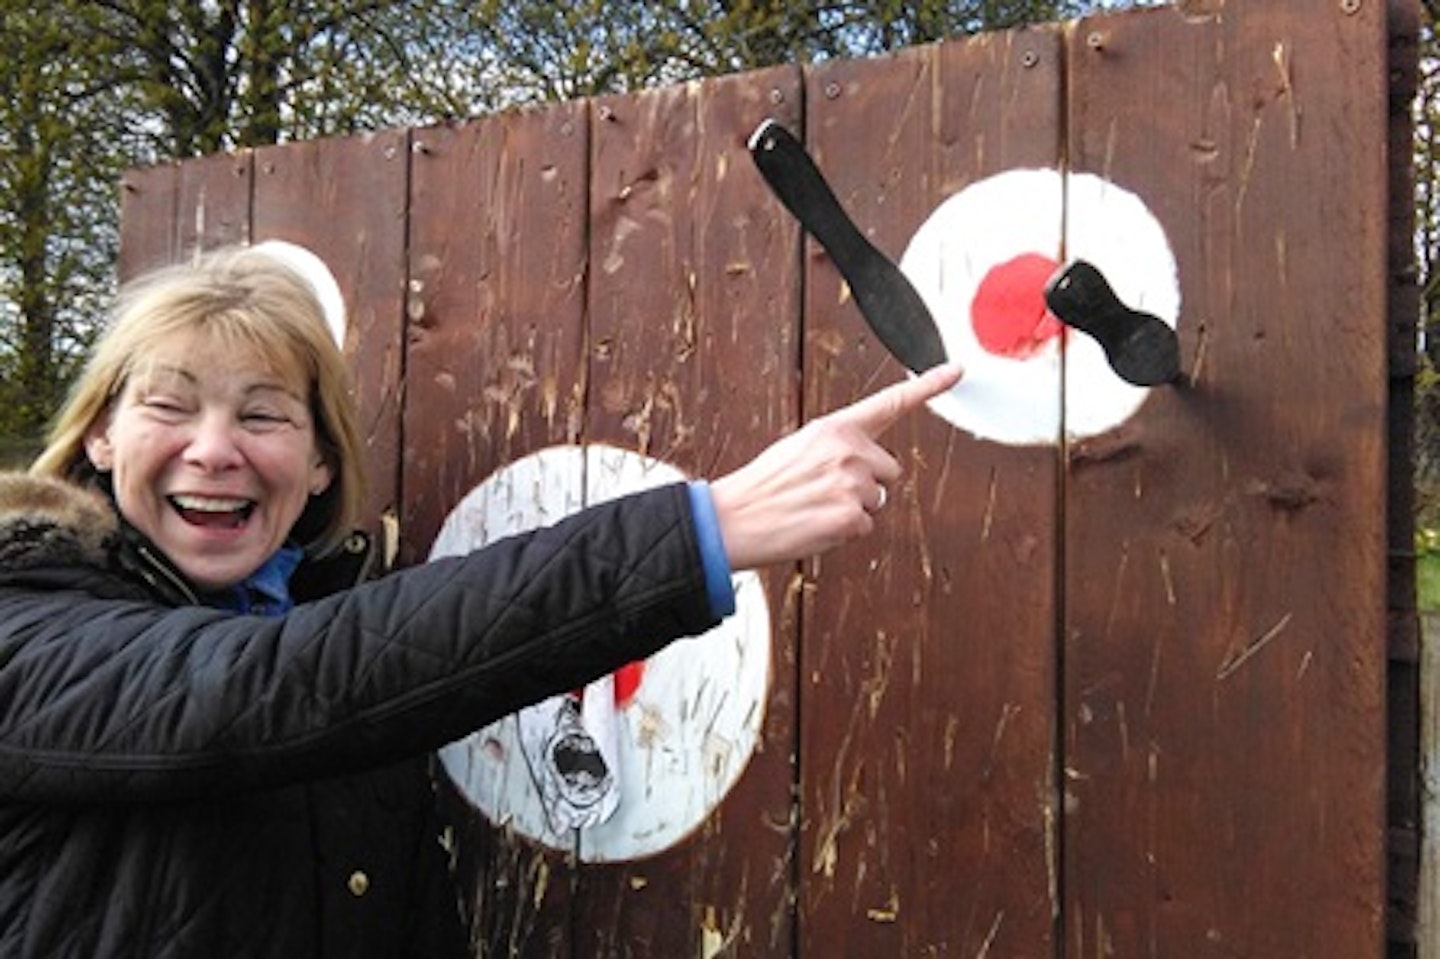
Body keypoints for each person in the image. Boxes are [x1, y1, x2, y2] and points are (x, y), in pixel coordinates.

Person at [0, 244, 962, 958]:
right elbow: (256, 692)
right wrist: (701, 531)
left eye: (263, 414)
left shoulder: (330, 634)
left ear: (322, 459)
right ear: (98, 439)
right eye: (168, 406)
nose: (215, 448)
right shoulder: (26, 605)